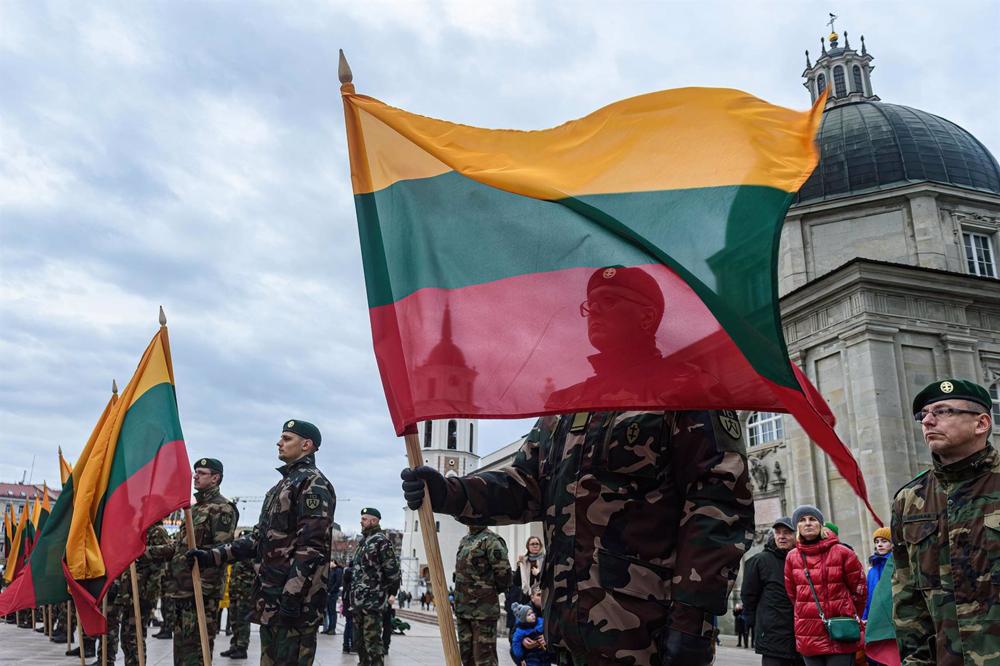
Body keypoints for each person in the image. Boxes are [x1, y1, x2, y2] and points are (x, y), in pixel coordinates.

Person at [188, 419, 336, 666]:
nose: (279, 443)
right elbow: (258, 539)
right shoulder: (281, 486)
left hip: (295, 605)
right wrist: (212, 556)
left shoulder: (313, 483)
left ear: (306, 445)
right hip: (272, 598)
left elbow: (312, 547)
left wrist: (292, 596)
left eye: (287, 438)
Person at [892, 378, 999, 664]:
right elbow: (907, 598)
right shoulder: (910, 499)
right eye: (924, 414)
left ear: (981, 423)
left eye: (943, 411)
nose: (928, 421)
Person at [150, 458, 237, 666]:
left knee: (196, 651)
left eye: (202, 473)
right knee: (181, 649)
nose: (195, 476)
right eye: (195, 472)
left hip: (200, 593)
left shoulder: (222, 509)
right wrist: (146, 552)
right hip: (181, 590)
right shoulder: (195, 509)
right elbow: (180, 547)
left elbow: (221, 552)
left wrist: (203, 588)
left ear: (215, 478)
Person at [783, 505, 866, 666]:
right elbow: (793, 594)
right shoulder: (792, 557)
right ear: (797, 527)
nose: (808, 523)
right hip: (809, 633)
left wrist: (848, 612)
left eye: (812, 519)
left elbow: (859, 590)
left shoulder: (843, 552)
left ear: (820, 524)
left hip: (841, 632)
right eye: (802, 520)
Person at [94, 522, 171, 666]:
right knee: (126, 636)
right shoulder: (133, 529)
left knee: (134, 637)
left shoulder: (156, 530)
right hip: (127, 592)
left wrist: (150, 594)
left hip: (142, 594)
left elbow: (166, 556)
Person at [741, 517, 802, 666]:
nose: (781, 536)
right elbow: (748, 596)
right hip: (772, 638)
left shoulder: (802, 559)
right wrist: (757, 624)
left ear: (796, 535)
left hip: (801, 637)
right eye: (778, 532)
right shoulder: (759, 561)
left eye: (787, 532)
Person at [349, 507, 401, 666]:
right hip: (358, 601)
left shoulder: (381, 541)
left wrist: (390, 592)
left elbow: (393, 571)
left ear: (374, 521)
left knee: (372, 642)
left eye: (364, 519)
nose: (361, 521)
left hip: (373, 601)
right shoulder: (363, 541)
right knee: (359, 642)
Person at [453, 524, 511, 666]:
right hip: (463, 608)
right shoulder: (465, 540)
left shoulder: (492, 541)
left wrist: (488, 592)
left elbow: (503, 573)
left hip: (483, 610)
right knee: (466, 657)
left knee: (484, 658)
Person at [219, 547, 255, 659]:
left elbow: (254, 564)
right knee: (233, 619)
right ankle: (234, 645)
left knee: (243, 620)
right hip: (234, 590)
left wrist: (243, 554)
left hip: (245, 591)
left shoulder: (251, 550)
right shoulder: (236, 552)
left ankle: (242, 647)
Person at [506, 536, 544, 640]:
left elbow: (547, 579)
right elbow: (516, 581)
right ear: (528, 546)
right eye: (532, 544)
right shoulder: (524, 560)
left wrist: (538, 574)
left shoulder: (545, 560)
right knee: (525, 622)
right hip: (526, 597)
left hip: (541, 597)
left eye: (537, 544)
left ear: (540, 546)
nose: (535, 546)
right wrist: (520, 565)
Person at [862, 527, 891, 624]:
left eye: (884, 541)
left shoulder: (896, 565)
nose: (879, 544)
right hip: (874, 617)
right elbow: (867, 596)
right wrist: (865, 617)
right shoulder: (872, 570)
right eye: (877, 542)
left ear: (892, 544)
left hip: (892, 617)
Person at [323, 559, 344, 635]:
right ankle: (329, 628)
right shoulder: (332, 570)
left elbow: (338, 582)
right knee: (329, 611)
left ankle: (332, 628)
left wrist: (331, 591)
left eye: (331, 562)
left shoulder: (338, 570)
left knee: (332, 611)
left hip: (333, 593)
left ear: (334, 562)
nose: (330, 564)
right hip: (329, 593)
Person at [341, 566, 355, 654]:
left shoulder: (345, 584)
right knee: (352, 625)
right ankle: (352, 646)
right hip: (351, 606)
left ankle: (346, 646)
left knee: (348, 625)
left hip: (347, 606)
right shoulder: (352, 585)